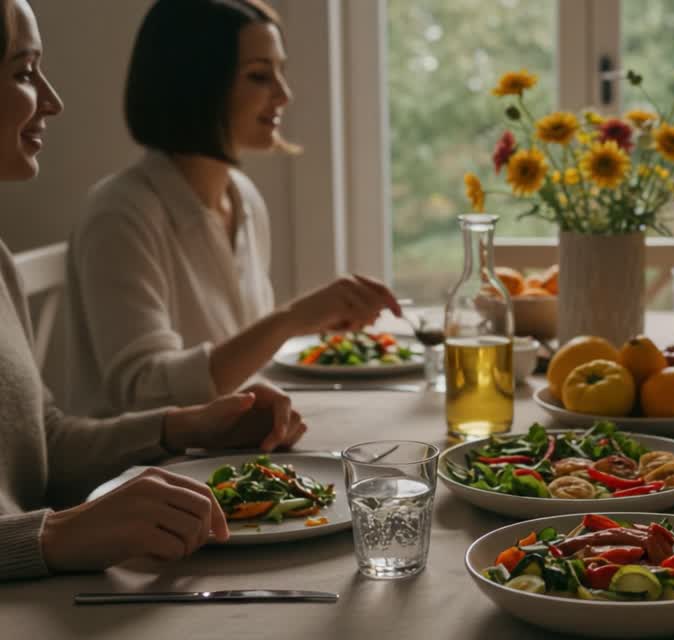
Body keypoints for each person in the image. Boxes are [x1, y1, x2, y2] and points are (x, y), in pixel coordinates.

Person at [0, 0, 306, 580]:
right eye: (23, 71)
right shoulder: (122, 210)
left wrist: (187, 427)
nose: (53, 101)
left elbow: (45, 446)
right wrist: (54, 535)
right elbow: (134, 388)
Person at [64, 0, 401, 415]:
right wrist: (290, 320)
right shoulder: (120, 215)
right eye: (259, 76)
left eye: (280, 72)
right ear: (195, 85)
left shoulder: (244, 199)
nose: (284, 94)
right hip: (151, 456)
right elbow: (144, 393)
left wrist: (311, 321)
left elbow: (243, 370)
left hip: (232, 445)